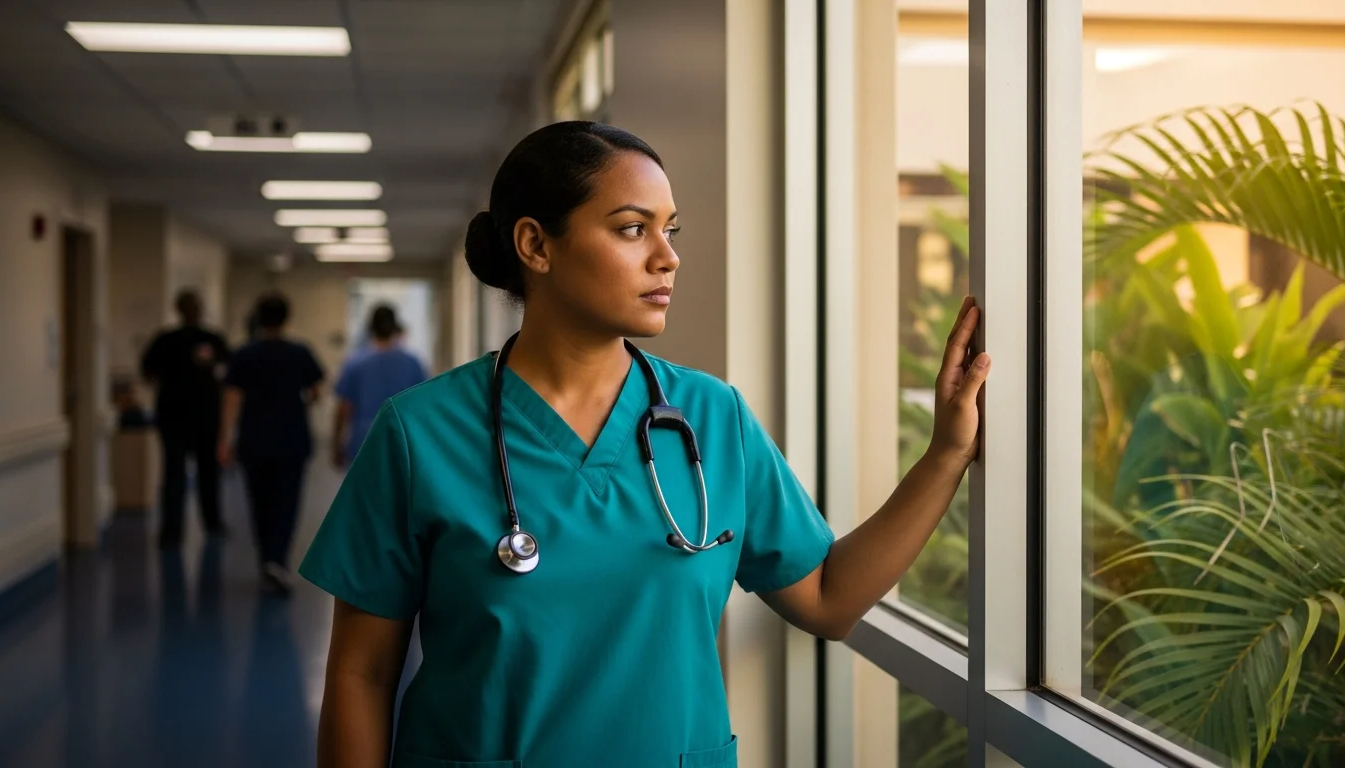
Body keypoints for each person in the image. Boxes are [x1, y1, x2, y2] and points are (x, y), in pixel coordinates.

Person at [297, 122, 991, 767]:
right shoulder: (420, 433)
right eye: (633, 230)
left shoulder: (712, 418)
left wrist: (946, 456)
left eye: (671, 230)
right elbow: (363, 672)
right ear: (536, 246)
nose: (669, 257)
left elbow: (828, 599)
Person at [219, 292, 326, 596]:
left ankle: (266, 557)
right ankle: (278, 559)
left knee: (259, 502)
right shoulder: (300, 353)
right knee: (287, 502)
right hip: (292, 439)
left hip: (254, 440)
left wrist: (224, 440)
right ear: (286, 318)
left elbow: (231, 400)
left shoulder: (243, 354)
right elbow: (316, 391)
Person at [140, 289, 229, 549]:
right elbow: (147, 371)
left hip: (200, 418)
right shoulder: (167, 340)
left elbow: (227, 372)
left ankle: (209, 523)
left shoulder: (211, 339)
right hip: (176, 419)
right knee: (176, 475)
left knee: (205, 474)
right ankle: (174, 530)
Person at [331, 304, 429, 470]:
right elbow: (423, 406)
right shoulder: (412, 363)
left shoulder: (355, 362)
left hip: (364, 441)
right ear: (395, 328)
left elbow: (344, 407)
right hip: (401, 441)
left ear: (370, 328)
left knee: (365, 491)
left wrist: (336, 444)